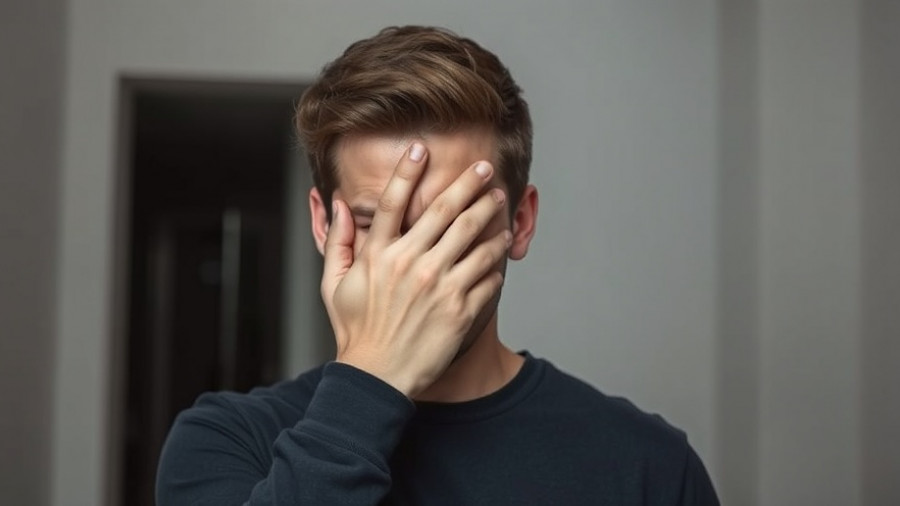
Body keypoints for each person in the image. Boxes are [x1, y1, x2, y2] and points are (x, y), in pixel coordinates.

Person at [156, 25, 719, 505]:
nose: (414, 267)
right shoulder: (227, 442)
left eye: (451, 224)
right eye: (377, 224)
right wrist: (373, 375)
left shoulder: (648, 466)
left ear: (520, 222)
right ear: (324, 226)